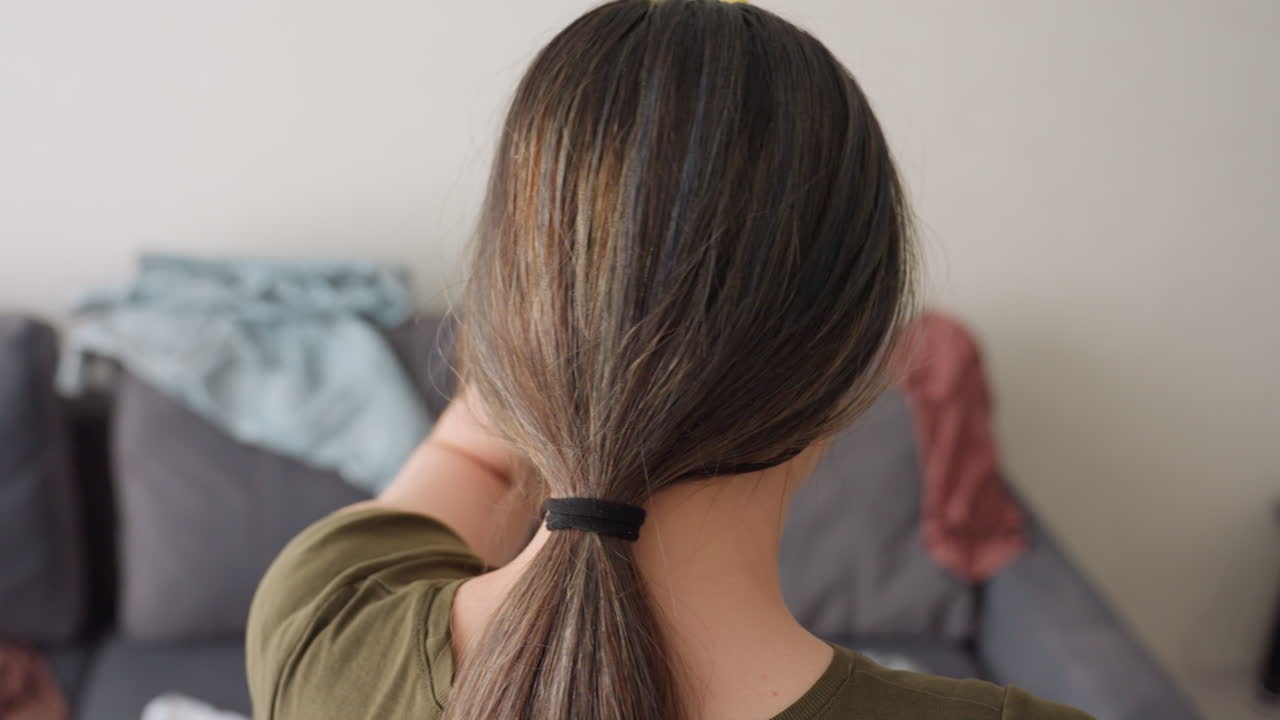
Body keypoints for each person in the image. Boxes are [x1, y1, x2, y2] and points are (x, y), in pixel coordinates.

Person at [246, 1, 1094, 718]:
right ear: (862, 368)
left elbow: (468, 447)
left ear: (504, 338)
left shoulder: (325, 627)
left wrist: (559, 355)